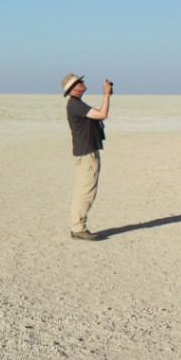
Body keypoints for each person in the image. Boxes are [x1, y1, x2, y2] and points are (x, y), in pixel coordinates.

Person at [62, 73, 112, 240]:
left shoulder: (76, 104)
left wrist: (106, 94)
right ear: (74, 88)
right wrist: (105, 94)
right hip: (86, 155)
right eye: (80, 82)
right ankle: (78, 228)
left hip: (84, 153)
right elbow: (102, 114)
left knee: (82, 191)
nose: (83, 83)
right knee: (86, 192)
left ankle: (77, 226)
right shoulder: (75, 105)